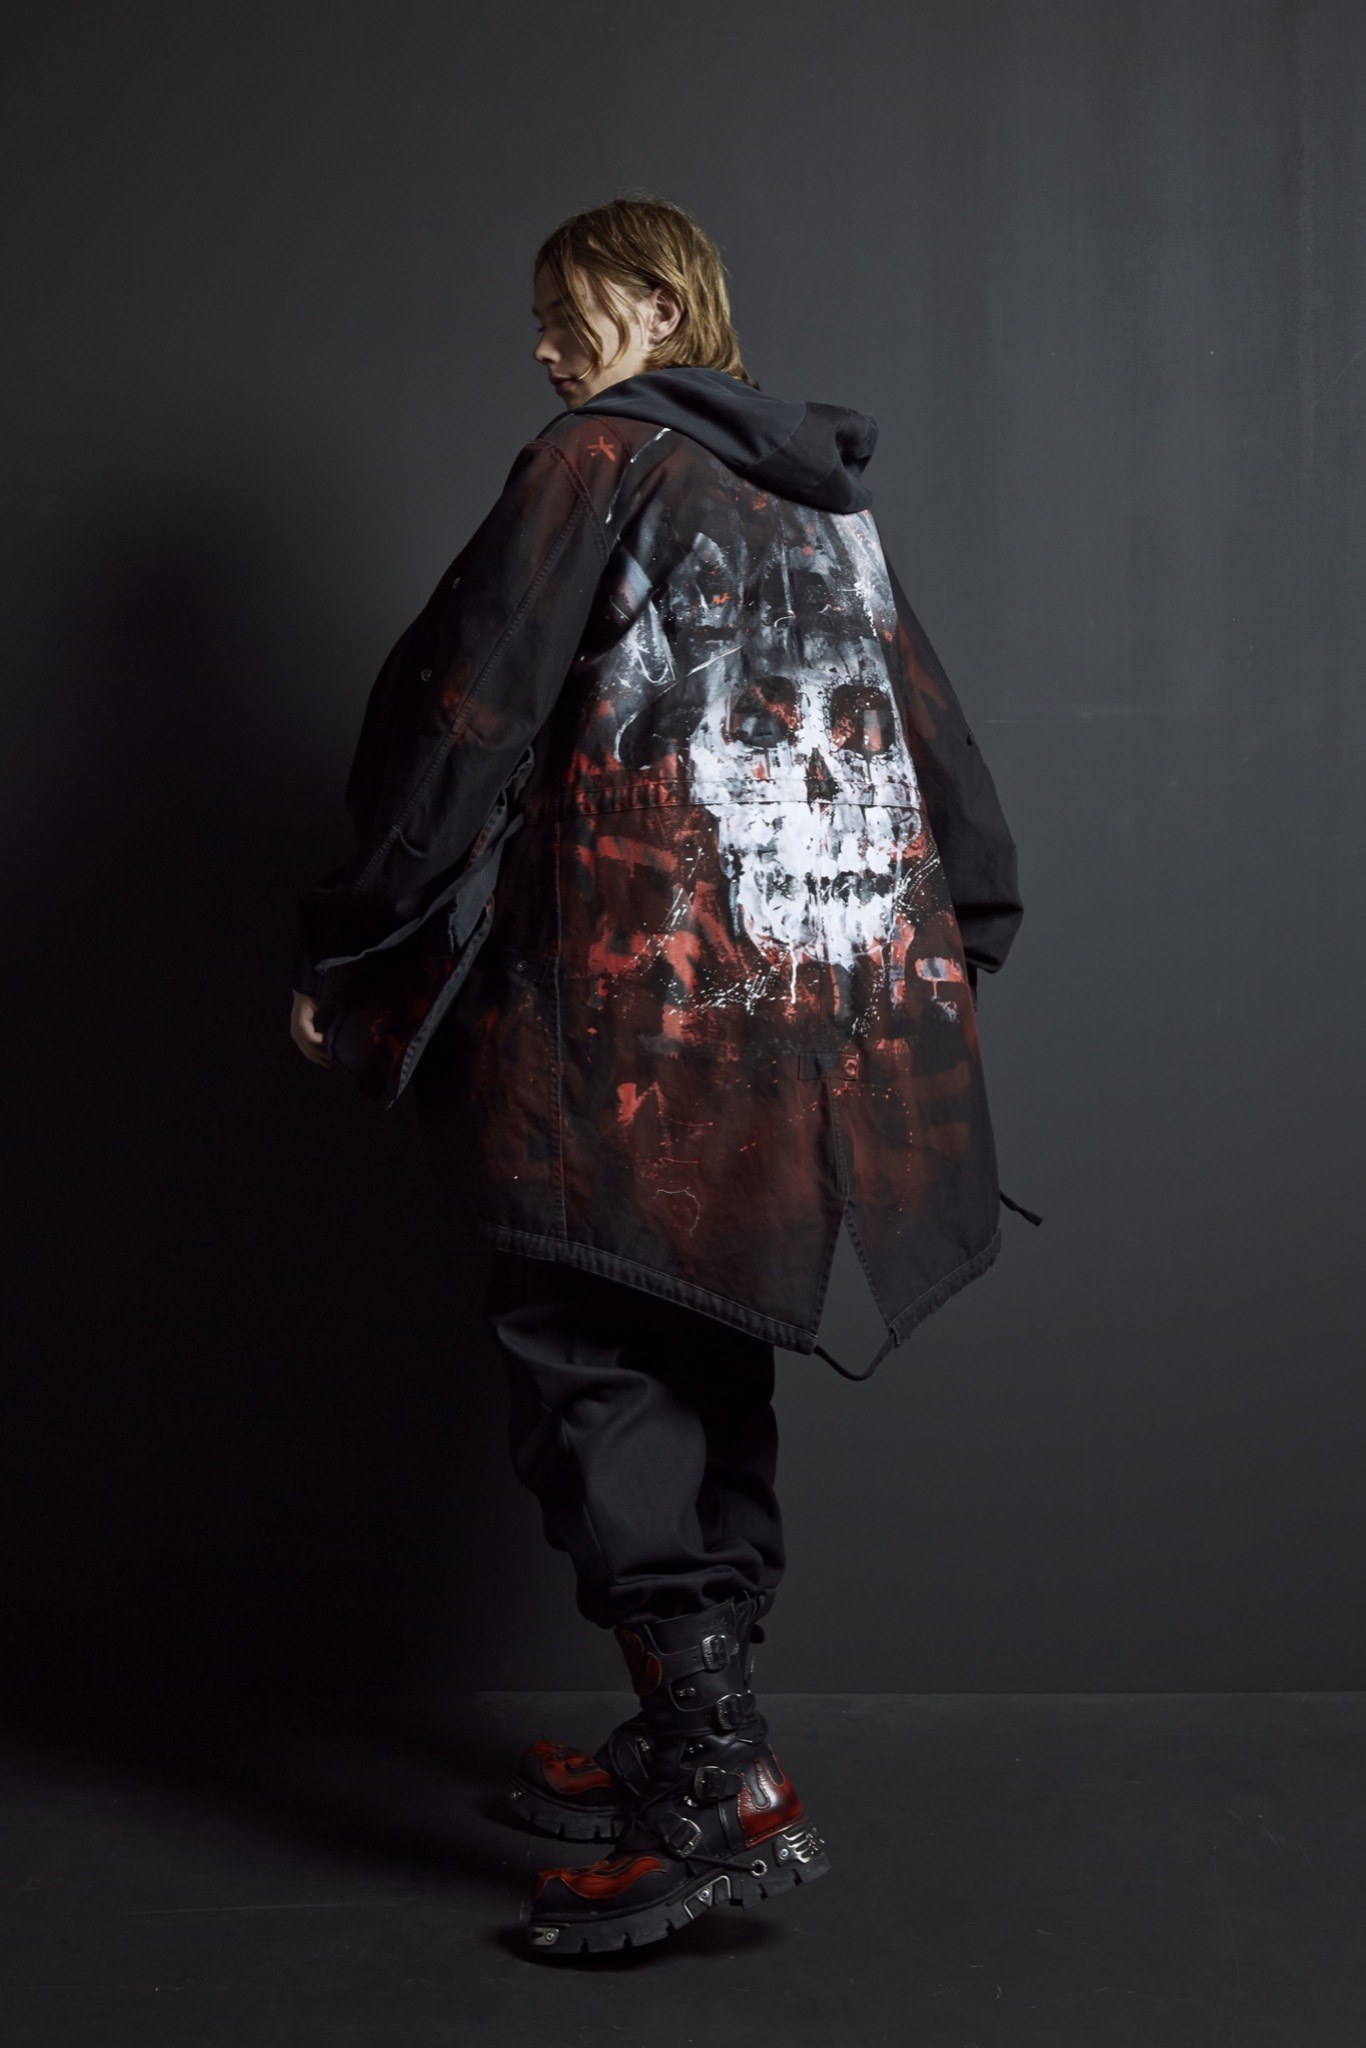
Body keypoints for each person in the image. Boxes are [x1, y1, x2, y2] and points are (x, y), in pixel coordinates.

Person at [290, 195, 1027, 1955]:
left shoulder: (599, 461)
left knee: (587, 1351)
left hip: (633, 1022)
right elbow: (931, 743)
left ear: (655, 303)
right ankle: (689, 1728)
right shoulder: (819, 499)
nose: (546, 344)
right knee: (704, 1337)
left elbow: (465, 711)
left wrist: (358, 940)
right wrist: (958, 942)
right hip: (816, 1020)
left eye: (570, 307)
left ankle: (718, 1781)